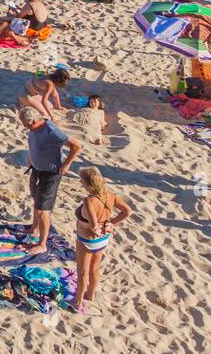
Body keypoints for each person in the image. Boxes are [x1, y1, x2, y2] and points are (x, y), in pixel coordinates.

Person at [18, 106, 83, 257]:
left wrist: (67, 164)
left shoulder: (52, 132)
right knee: (36, 200)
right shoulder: (35, 127)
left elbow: (76, 146)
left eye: (26, 124)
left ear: (34, 121)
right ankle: (34, 228)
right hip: (36, 169)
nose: (24, 127)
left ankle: (42, 245)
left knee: (42, 209)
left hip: (51, 173)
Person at [72, 167, 131, 314]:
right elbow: (128, 211)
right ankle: (90, 294)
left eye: (82, 181)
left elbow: (92, 226)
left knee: (83, 272)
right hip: (103, 239)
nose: (81, 183)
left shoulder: (89, 201)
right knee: (95, 268)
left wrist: (96, 229)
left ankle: (78, 303)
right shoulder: (111, 196)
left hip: (87, 240)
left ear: (89, 185)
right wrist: (112, 223)